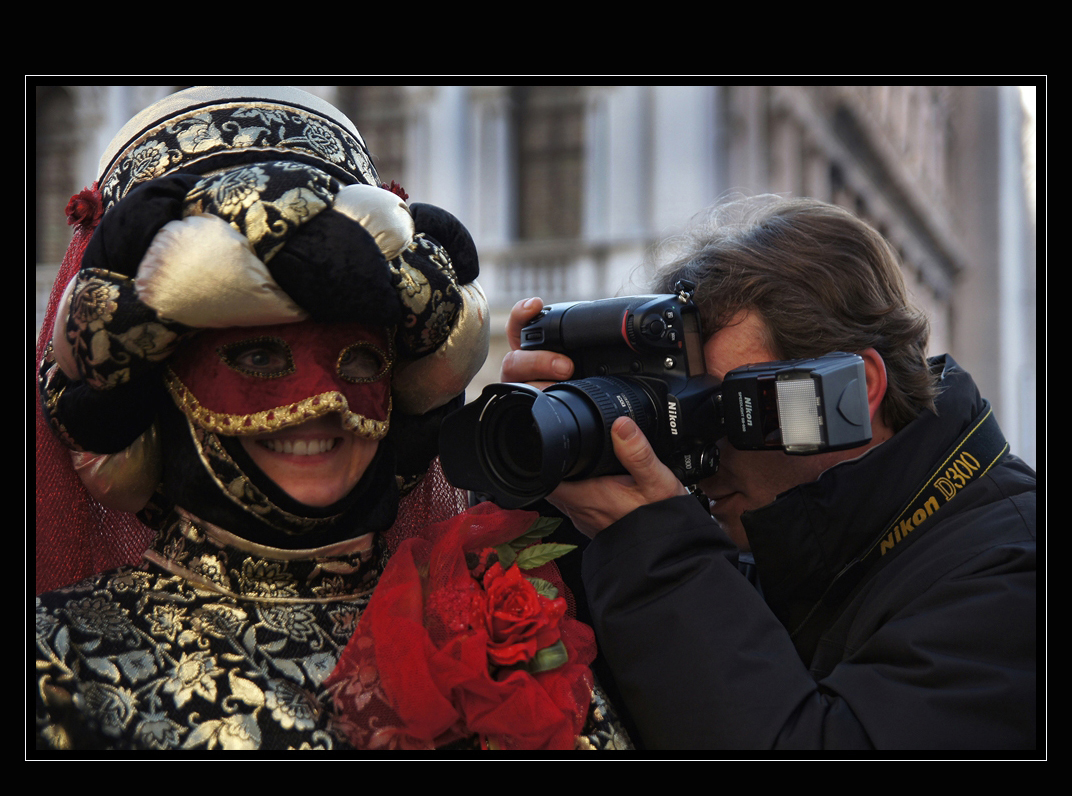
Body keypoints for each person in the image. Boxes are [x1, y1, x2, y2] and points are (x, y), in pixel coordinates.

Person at [34, 86, 630, 751]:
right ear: (163, 385)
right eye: (258, 356)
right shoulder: (57, 663)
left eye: (358, 363)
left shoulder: (495, 630)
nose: (324, 403)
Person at [501, 195, 1037, 750]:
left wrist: (652, 552)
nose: (702, 450)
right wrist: (553, 480)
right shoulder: (793, 538)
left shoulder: (1016, 571)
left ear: (855, 392)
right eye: (680, 409)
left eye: (732, 409)